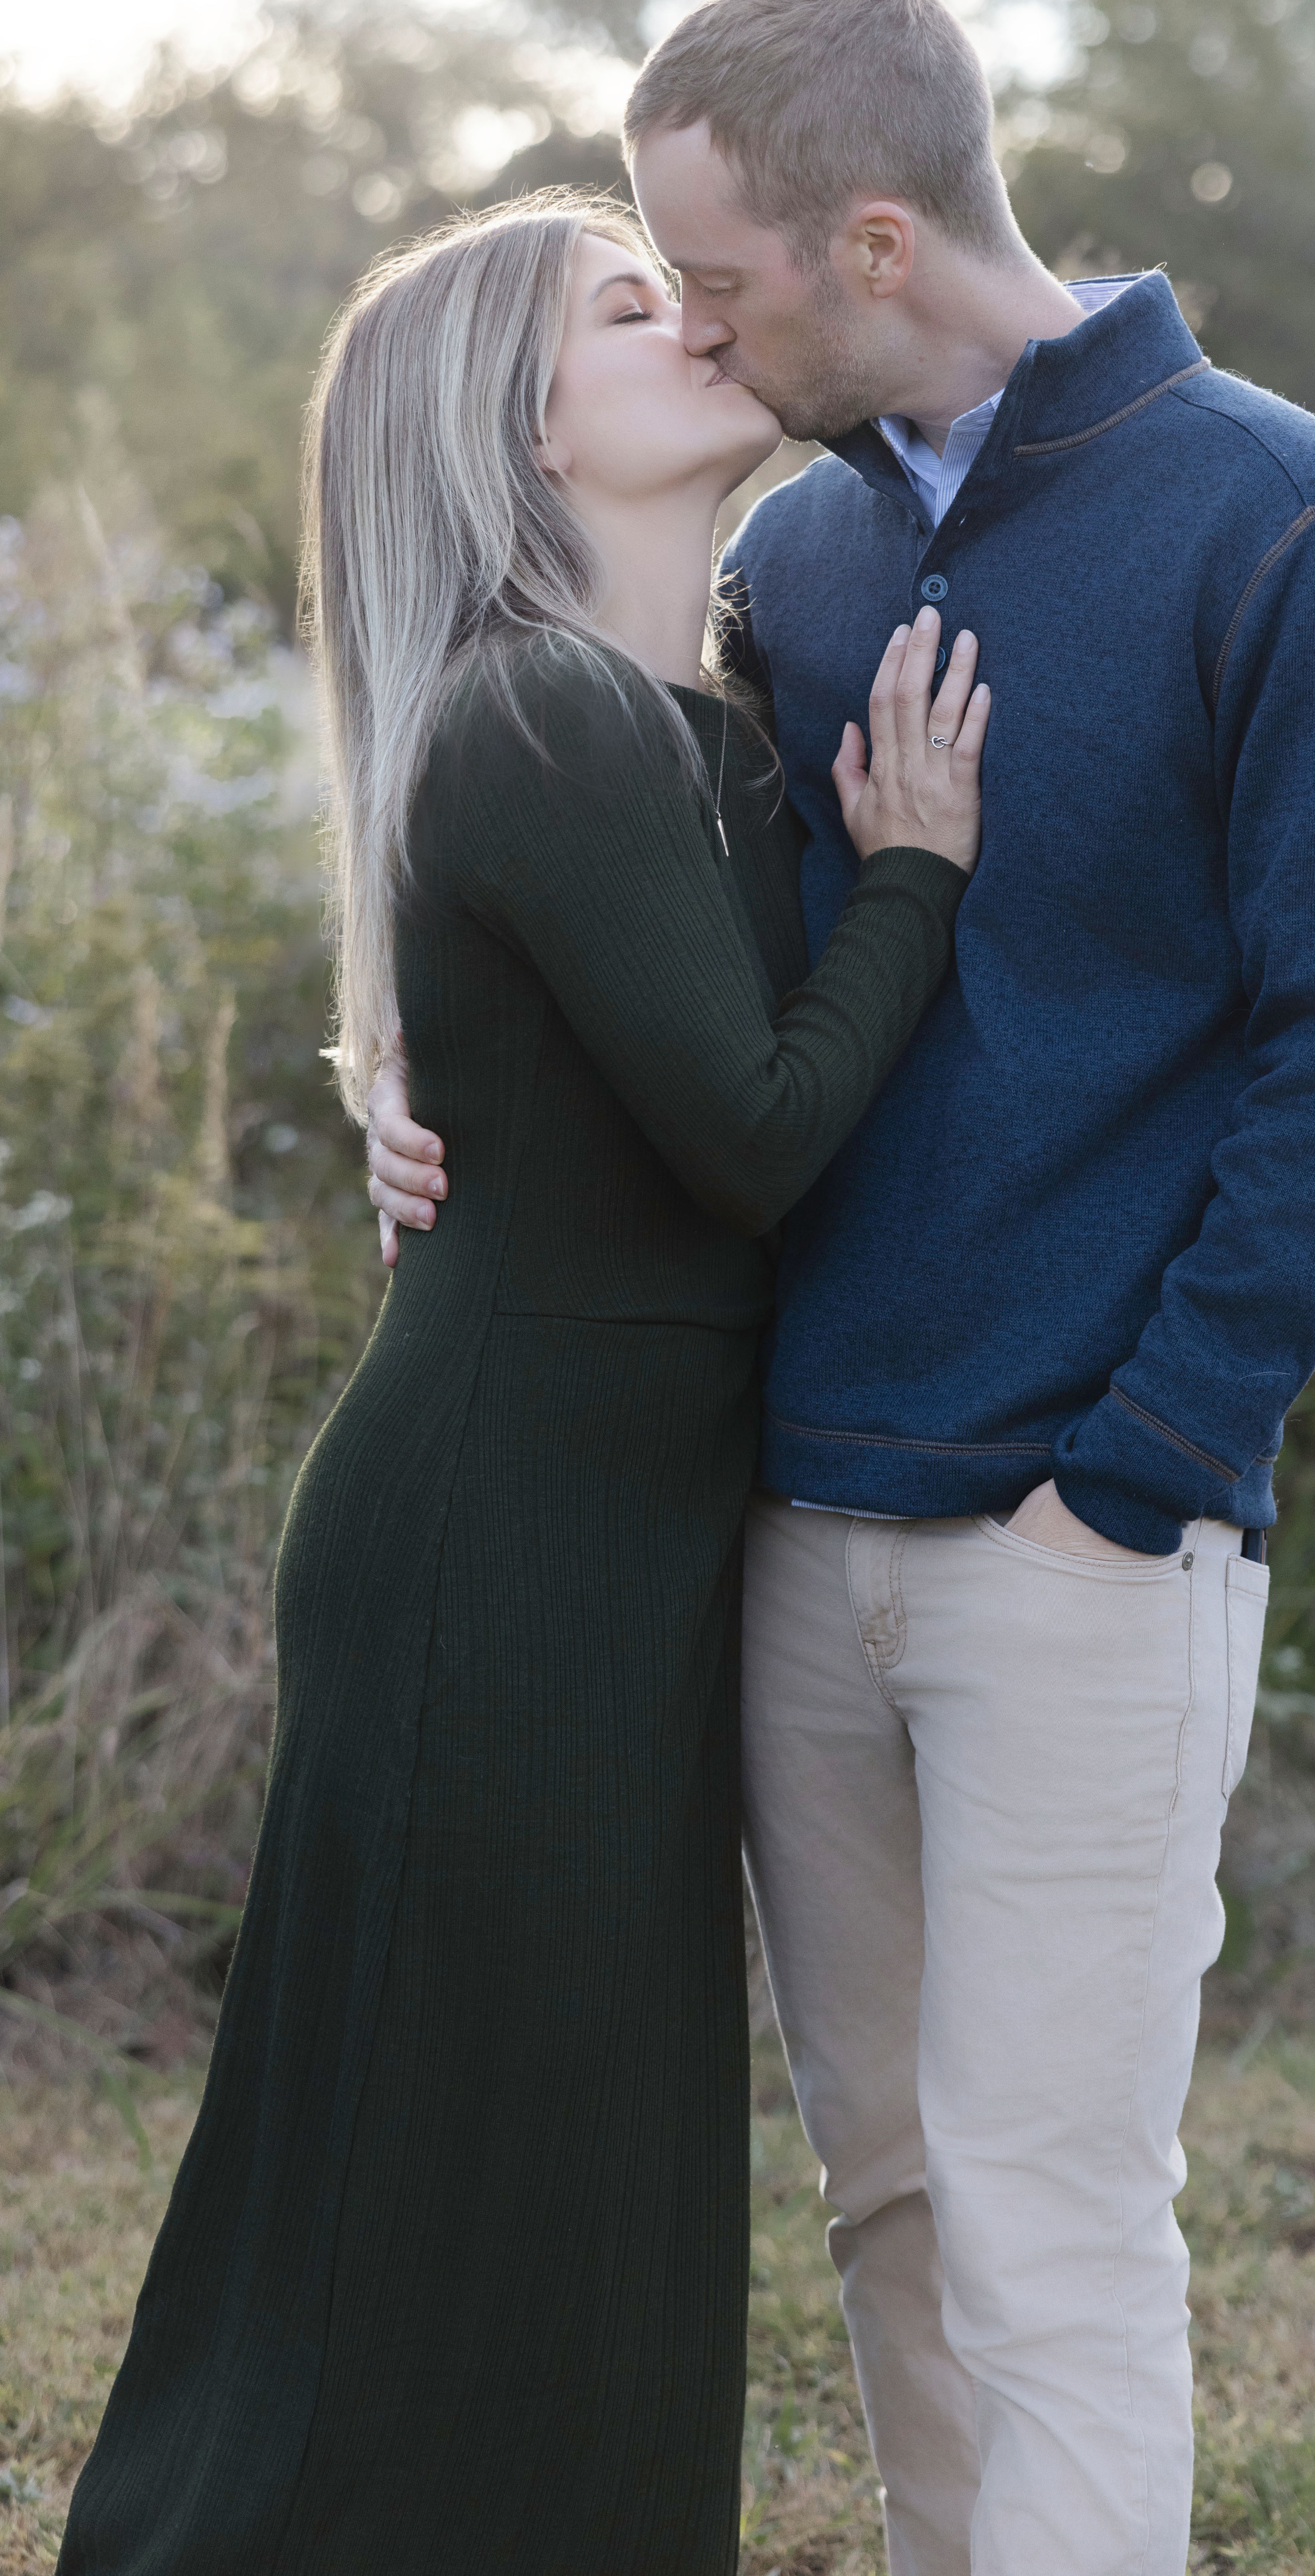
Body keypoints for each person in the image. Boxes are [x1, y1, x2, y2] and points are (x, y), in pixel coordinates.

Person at [369, 0, 1315, 2576]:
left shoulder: (1285, 524)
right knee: (886, 2193)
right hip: (788, 1530)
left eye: (717, 276)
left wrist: (1151, 1462)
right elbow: (692, 994)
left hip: (1081, 1536)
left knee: (1051, 2209)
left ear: (874, 238)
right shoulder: (804, 561)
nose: (702, 331)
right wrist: (430, 1105)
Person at [59, 191, 987, 2576]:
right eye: (616, 305)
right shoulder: (537, 715)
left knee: (579, 2161)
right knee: (455, 2156)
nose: (686, 318)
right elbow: (759, 1140)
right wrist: (915, 879)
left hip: (614, 1525)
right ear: (517, 427)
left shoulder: (692, 713)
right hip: (502, 1536)